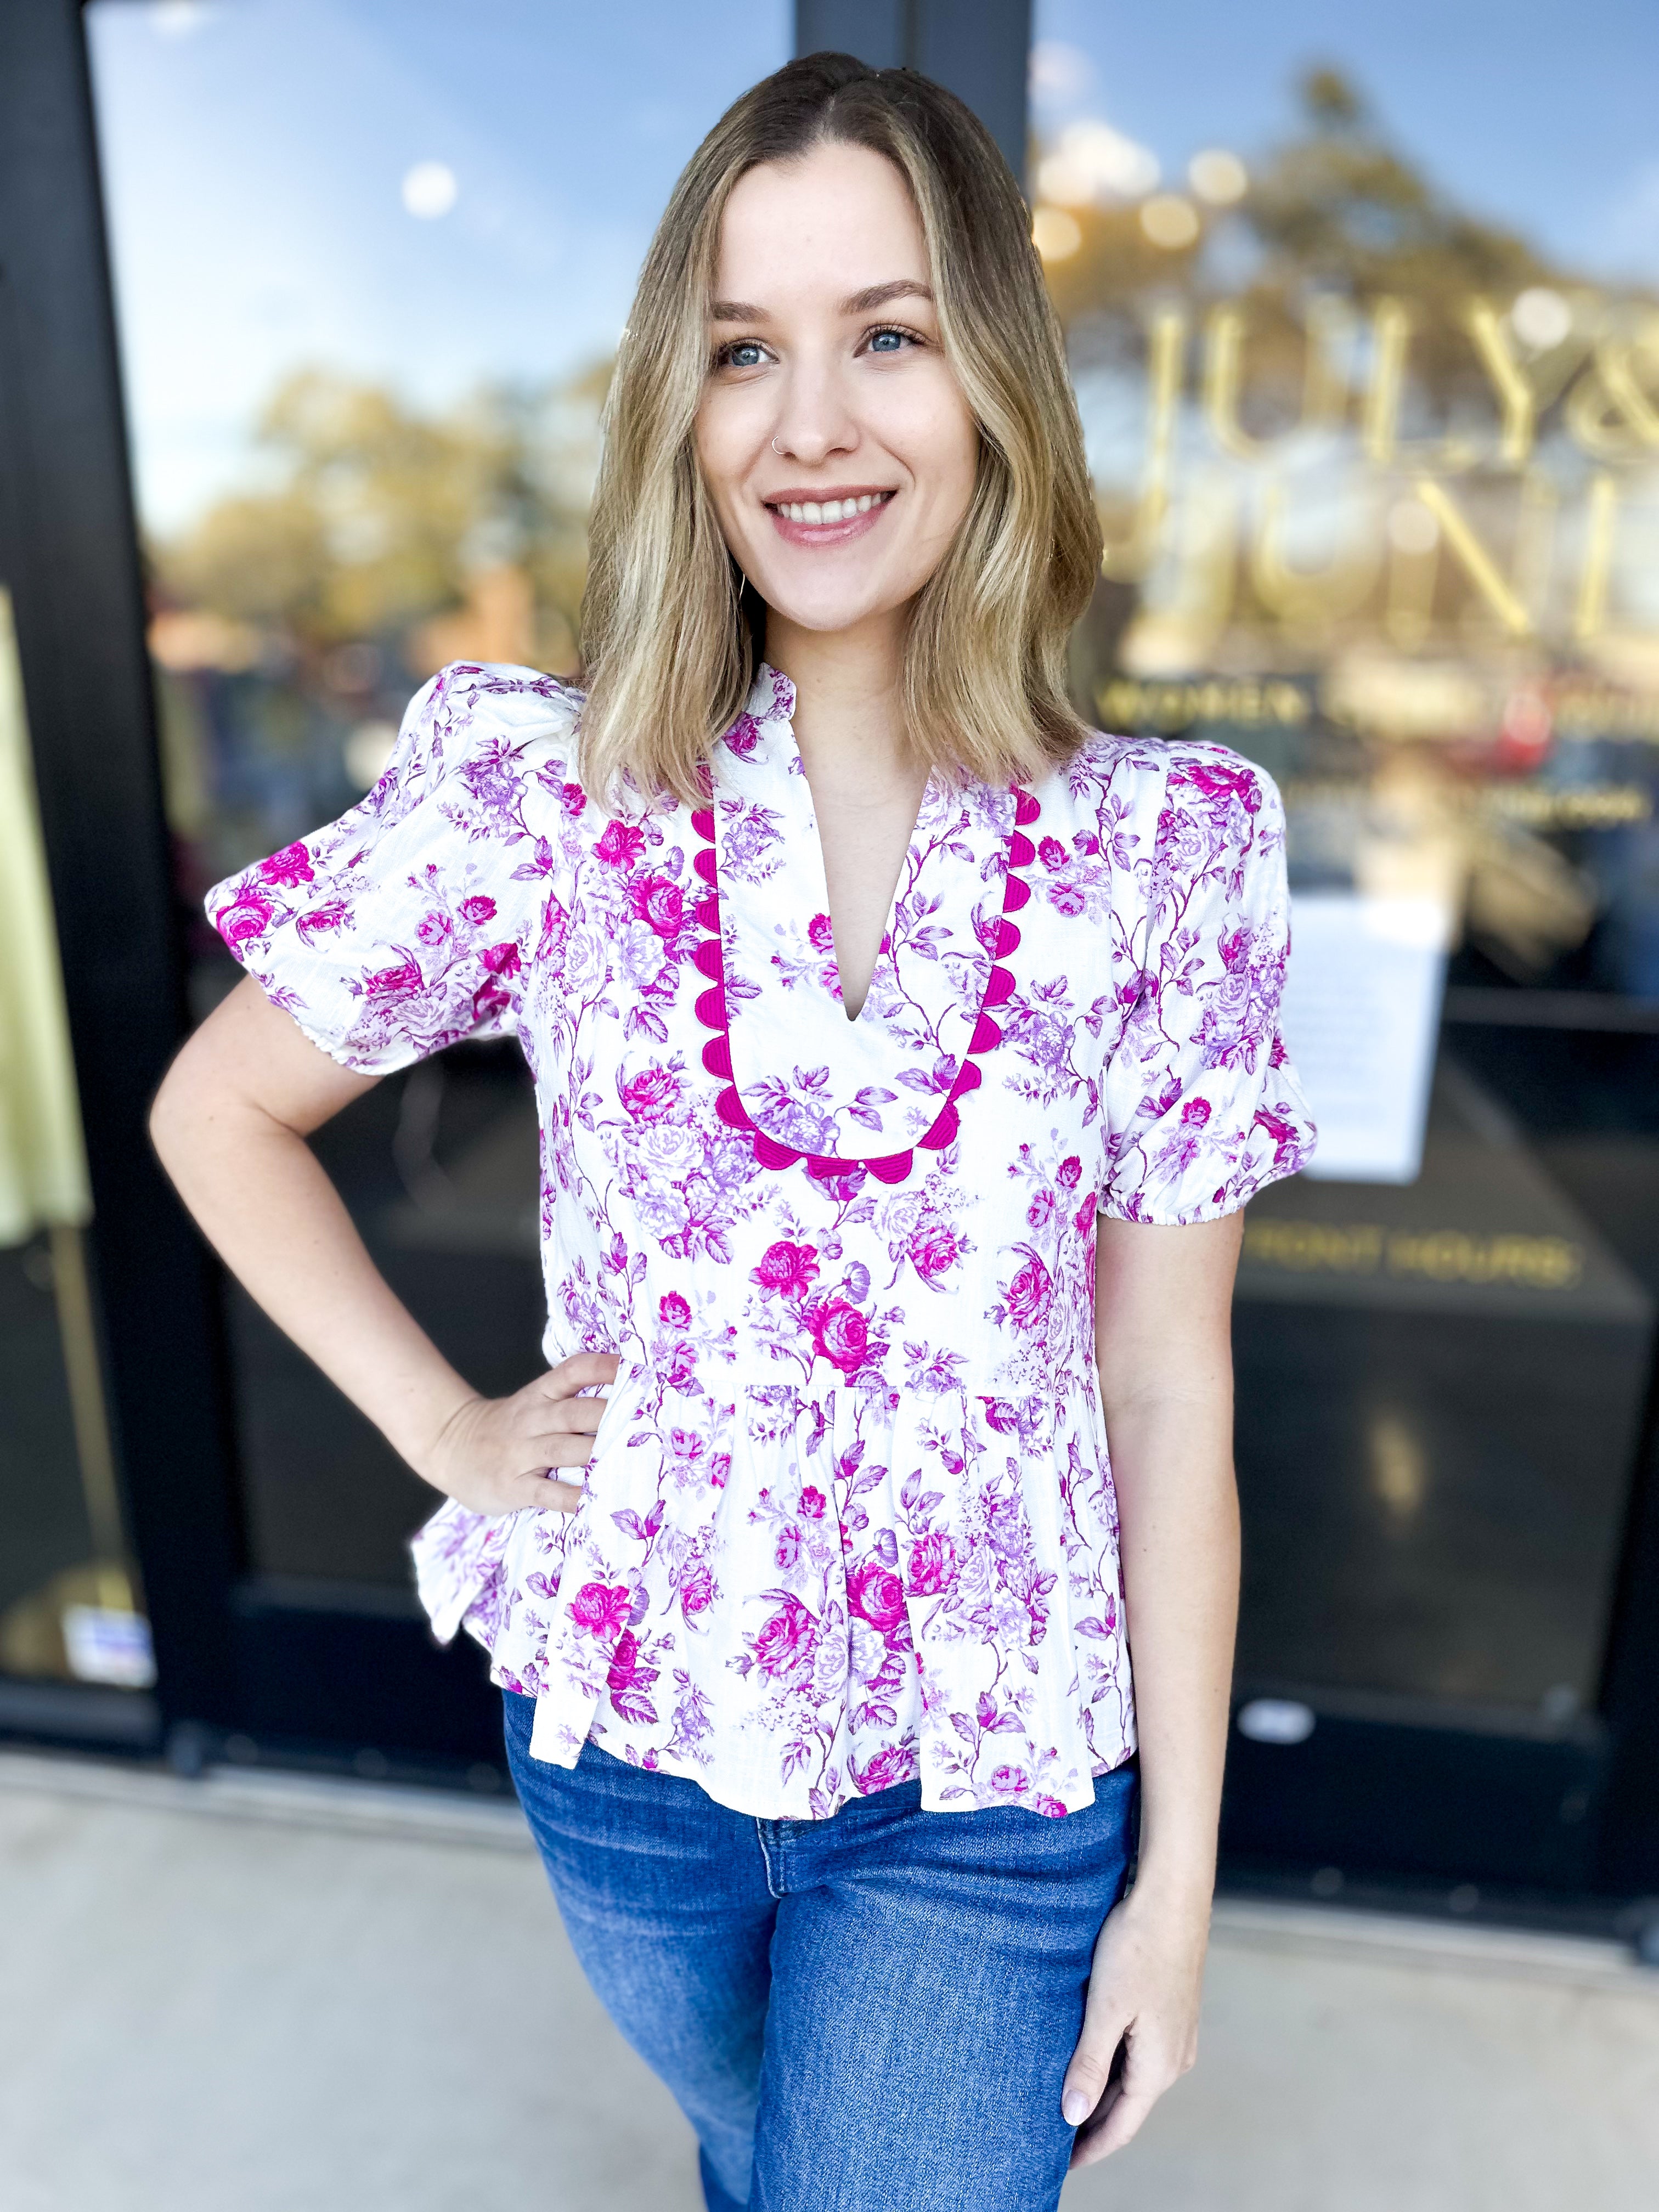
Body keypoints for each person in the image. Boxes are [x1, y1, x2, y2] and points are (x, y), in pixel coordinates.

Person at [150, 50, 1315, 2212]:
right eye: (741, 353)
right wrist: (448, 1434)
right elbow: (222, 1107)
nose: (810, 422)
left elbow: (1168, 1387)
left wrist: (1178, 1891)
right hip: (629, 1751)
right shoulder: (554, 792)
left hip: (996, 1781)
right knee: (764, 2155)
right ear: (676, 417)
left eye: (887, 334)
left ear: (996, 379)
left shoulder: (1170, 851)